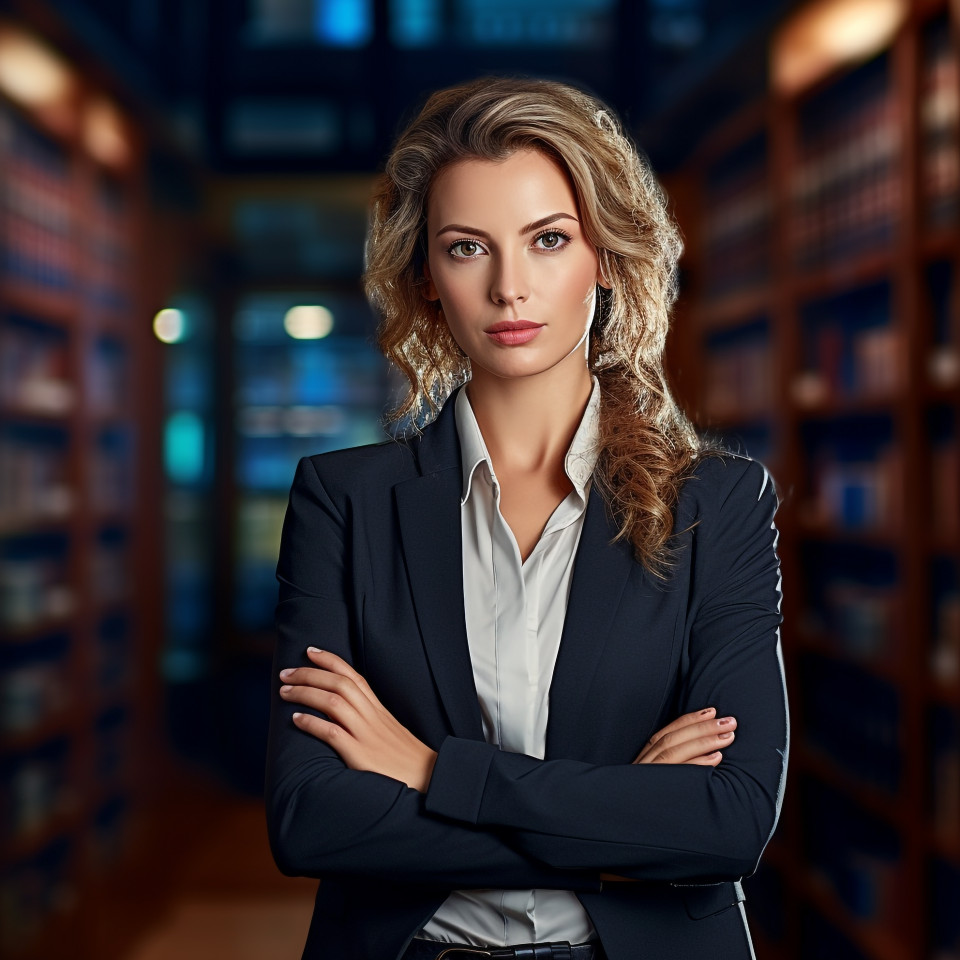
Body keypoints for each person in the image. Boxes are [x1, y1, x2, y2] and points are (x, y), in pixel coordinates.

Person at [266, 77, 788, 960]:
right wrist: (621, 820)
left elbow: (728, 825)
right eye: (467, 248)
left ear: (607, 261)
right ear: (426, 279)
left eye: (548, 240)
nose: (510, 287)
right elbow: (312, 820)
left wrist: (433, 774)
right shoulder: (341, 500)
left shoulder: (720, 503)